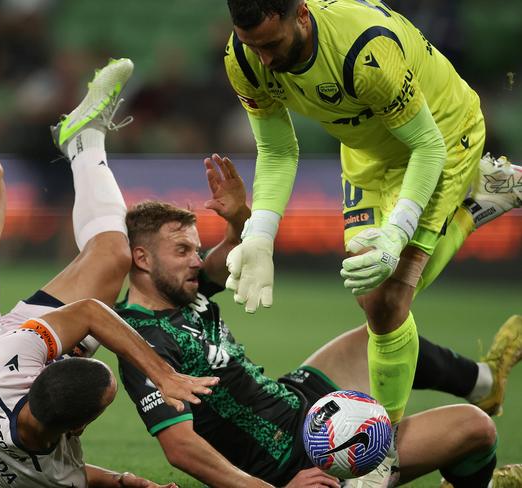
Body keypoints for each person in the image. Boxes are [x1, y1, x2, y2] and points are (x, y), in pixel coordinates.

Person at [0, 2, 218, 487]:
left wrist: (162, 375)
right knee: (114, 256)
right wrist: (136, 483)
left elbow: (90, 314)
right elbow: (70, 472)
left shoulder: (15, 366)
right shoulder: (44, 475)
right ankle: (83, 138)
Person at [116, 154, 522, 487]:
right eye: (183, 250)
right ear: (142, 259)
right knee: (474, 429)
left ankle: (484, 383)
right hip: (295, 460)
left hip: (295, 404)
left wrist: (240, 216)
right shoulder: (140, 339)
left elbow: (233, 253)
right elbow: (181, 447)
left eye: (196, 248)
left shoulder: (185, 288)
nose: (196, 260)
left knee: (375, 336)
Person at [220, 0, 522, 426]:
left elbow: (427, 145)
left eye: (272, 44)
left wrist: (398, 233)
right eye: (254, 46)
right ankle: (484, 198)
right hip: (366, 151)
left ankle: (384, 453)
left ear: (301, 15)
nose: (265, 59)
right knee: (372, 295)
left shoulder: (365, 52)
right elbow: (277, 149)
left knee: (389, 300)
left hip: (441, 137)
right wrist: (259, 235)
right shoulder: (245, 58)